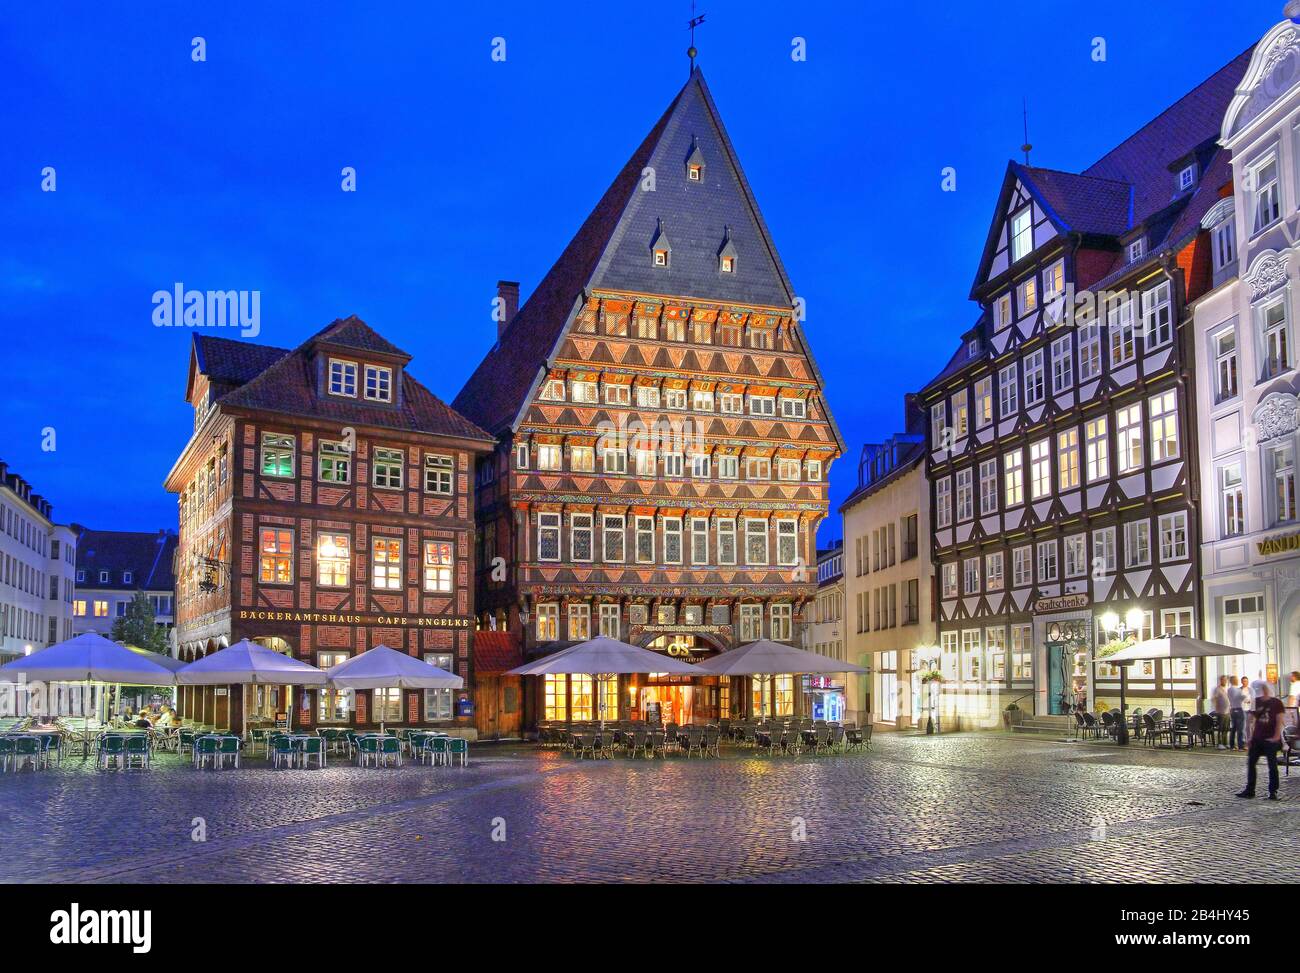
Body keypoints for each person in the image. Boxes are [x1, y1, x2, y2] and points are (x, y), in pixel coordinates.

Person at [1238, 682, 1285, 800]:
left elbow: (1279, 720)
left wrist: (1276, 736)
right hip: (1257, 737)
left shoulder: (1276, 703)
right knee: (1251, 763)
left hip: (1270, 738)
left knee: (1272, 765)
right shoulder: (1256, 701)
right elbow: (1250, 720)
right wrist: (1249, 737)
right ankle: (1250, 790)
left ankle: (1273, 791)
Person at [1227, 676, 1247, 751]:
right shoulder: (1237, 689)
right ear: (1234, 681)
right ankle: (1240, 746)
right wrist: (1244, 697)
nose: (1238, 681)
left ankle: (1232, 745)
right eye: (1237, 679)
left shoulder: (1229, 689)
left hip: (1232, 709)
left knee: (1233, 728)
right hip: (1239, 709)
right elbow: (1239, 698)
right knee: (1240, 729)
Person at [1211, 675, 1231, 750]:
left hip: (1227, 711)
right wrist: (1217, 708)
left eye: (1225, 680)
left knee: (1226, 728)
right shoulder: (1217, 689)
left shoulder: (1226, 688)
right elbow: (1214, 699)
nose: (1224, 681)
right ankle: (1220, 743)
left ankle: (1225, 743)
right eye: (1223, 680)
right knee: (1221, 728)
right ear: (1220, 680)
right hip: (1221, 711)